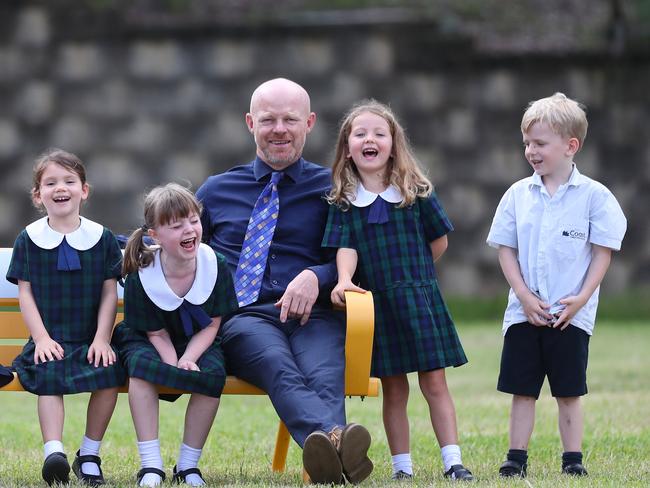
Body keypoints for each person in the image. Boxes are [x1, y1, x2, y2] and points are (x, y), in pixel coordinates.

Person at [196, 78, 373, 485]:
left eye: (290, 119)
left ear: (309, 122)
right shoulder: (218, 190)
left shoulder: (334, 188)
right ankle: (338, 439)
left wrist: (317, 274)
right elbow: (180, 248)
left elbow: (355, 257)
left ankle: (331, 460)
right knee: (279, 367)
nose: (279, 129)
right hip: (245, 319)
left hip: (317, 315)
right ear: (249, 123)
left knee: (324, 373)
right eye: (268, 120)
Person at [322, 100, 473, 481]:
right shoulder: (343, 202)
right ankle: (401, 467)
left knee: (435, 383)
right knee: (394, 390)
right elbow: (346, 248)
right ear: (347, 146)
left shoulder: (416, 191)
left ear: (393, 142)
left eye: (379, 133)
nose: (369, 139)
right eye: (360, 134)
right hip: (380, 306)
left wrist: (415, 277)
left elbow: (438, 243)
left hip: (420, 300)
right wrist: (343, 281)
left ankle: (453, 461)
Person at [486, 92, 627, 478]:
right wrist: (524, 296)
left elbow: (602, 252)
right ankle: (515, 457)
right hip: (524, 313)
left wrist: (581, 298)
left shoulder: (594, 197)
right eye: (527, 143)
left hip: (570, 315)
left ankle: (572, 460)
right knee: (522, 389)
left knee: (568, 391)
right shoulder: (518, 195)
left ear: (570, 146)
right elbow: (506, 251)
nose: (531, 151)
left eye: (540, 143)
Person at [7, 149, 125, 486]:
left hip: (90, 338)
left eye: (69, 181)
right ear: (38, 194)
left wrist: (103, 337)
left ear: (84, 190)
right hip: (50, 338)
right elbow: (25, 293)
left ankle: (89, 454)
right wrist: (41, 339)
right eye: (51, 182)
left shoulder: (101, 238)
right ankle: (53, 451)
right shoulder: (28, 240)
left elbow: (108, 292)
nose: (61, 187)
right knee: (48, 374)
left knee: (109, 374)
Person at [112, 184, 237, 487]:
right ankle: (151, 464)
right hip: (148, 337)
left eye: (193, 220)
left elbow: (211, 325)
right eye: (176, 225)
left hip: (198, 338)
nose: (188, 230)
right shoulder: (143, 273)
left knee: (213, 374)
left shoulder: (214, 265)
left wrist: (189, 359)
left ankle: (188, 465)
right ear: (154, 235)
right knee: (141, 371)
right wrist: (173, 364)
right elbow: (155, 332)